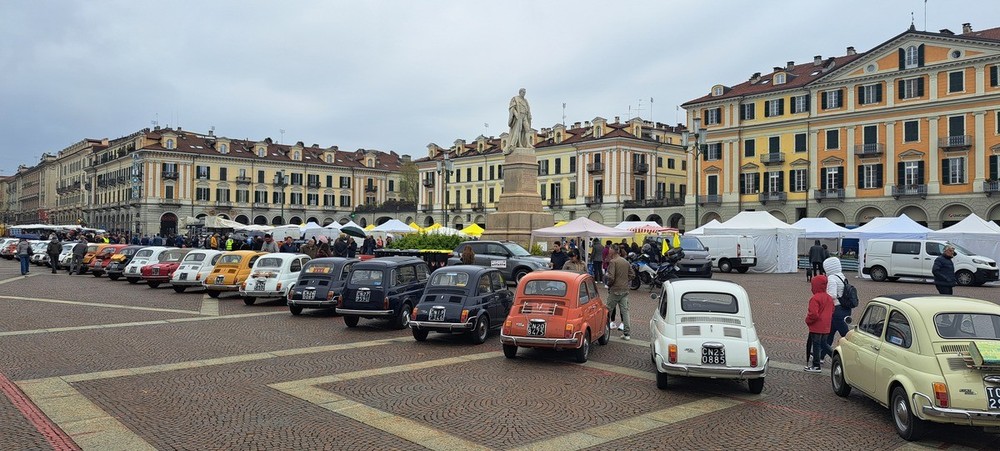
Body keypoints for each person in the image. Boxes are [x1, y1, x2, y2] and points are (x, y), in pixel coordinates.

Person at [804, 275, 835, 372]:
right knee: (824, 344)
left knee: (816, 345)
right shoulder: (829, 298)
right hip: (826, 325)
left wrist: (808, 321)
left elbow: (813, 314)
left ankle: (816, 365)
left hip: (816, 326)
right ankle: (836, 357)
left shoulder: (815, 298)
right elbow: (833, 310)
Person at [604, 244, 631, 340]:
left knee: (608, 310)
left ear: (612, 251)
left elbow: (611, 277)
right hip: (624, 289)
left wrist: (609, 284)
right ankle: (627, 333)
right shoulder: (625, 261)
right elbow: (632, 274)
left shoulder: (613, 262)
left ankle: (604, 330)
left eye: (610, 249)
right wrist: (625, 281)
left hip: (615, 290)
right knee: (625, 311)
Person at [823, 256, 850, 353]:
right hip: (845, 308)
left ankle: (852, 353)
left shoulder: (831, 278)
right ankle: (821, 355)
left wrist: (824, 298)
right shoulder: (842, 276)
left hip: (837, 309)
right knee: (830, 332)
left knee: (846, 335)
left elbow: (832, 295)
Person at [505, 88, 532, 154]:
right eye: (523, 92)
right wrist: (516, 114)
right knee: (519, 130)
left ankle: (528, 144)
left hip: (525, 115)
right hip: (519, 116)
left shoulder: (525, 100)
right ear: (520, 92)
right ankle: (519, 143)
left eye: (525, 92)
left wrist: (529, 114)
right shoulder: (515, 98)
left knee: (527, 129)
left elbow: (528, 108)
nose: (524, 94)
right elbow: (512, 108)